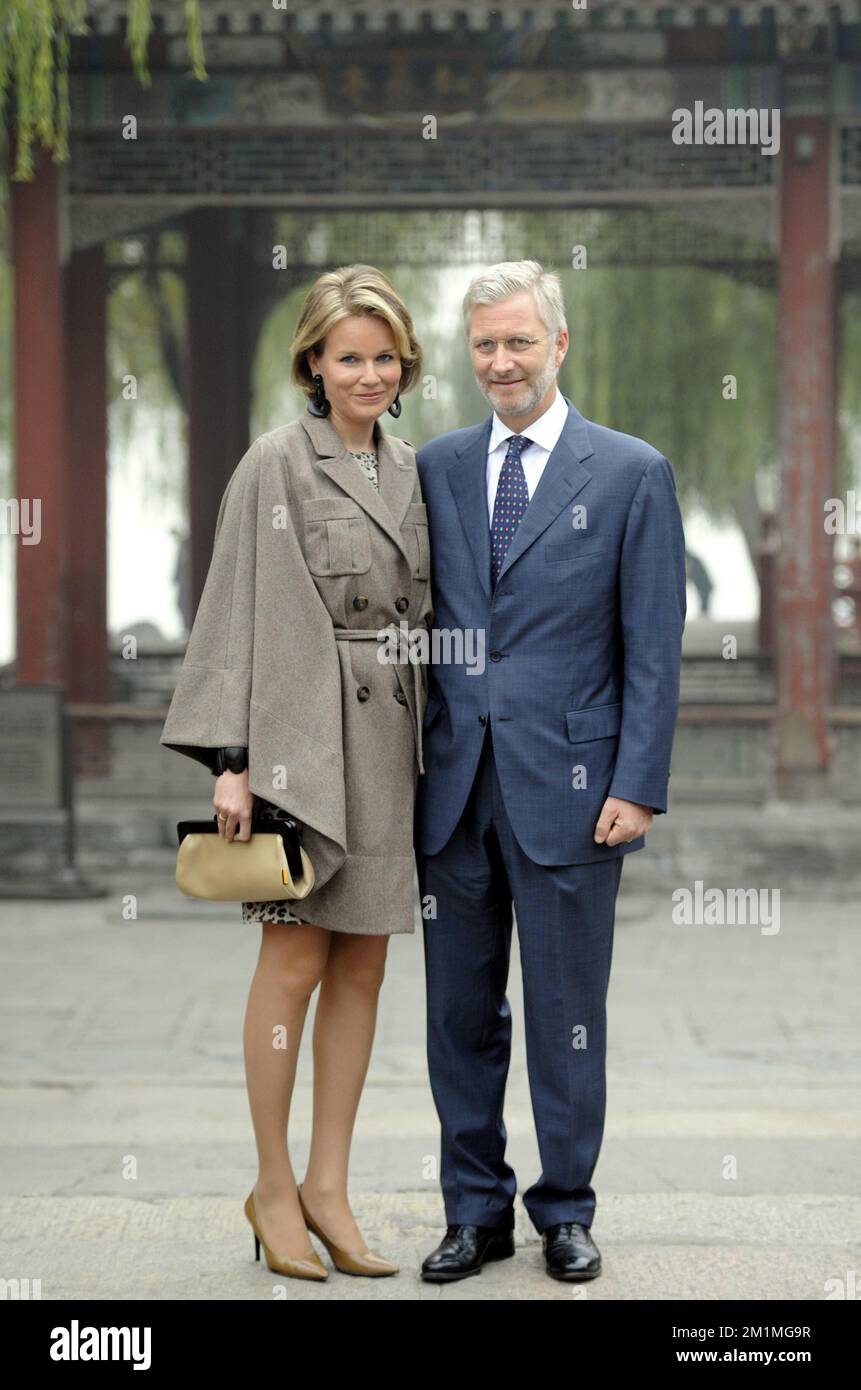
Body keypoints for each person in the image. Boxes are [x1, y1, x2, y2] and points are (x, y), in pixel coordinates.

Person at [414, 260, 686, 1283]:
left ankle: (566, 1209)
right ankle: (473, 1210)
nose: (501, 361)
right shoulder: (435, 468)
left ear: (558, 345)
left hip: (577, 794)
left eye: (519, 341)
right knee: (457, 1017)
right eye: (484, 344)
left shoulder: (629, 472)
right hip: (450, 791)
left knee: (569, 1010)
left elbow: (653, 647)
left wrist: (637, 783)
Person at [160, 264, 431, 1281]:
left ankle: (329, 1185)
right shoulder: (276, 461)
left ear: (405, 365)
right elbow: (233, 605)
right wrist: (231, 764)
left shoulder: (410, 469)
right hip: (294, 740)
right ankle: (272, 1185)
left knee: (364, 962)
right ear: (314, 361)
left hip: (391, 744)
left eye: (383, 356)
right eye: (347, 355)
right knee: (292, 962)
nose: (367, 372)